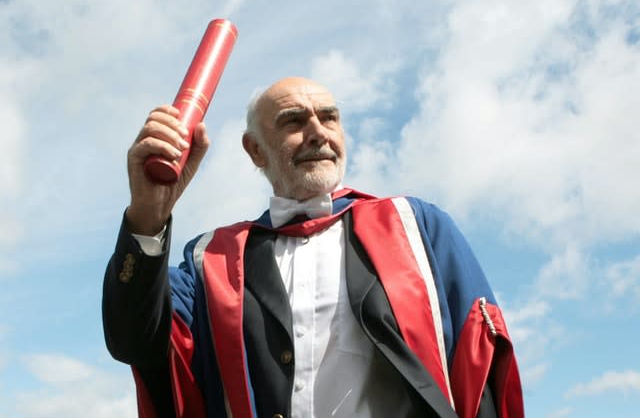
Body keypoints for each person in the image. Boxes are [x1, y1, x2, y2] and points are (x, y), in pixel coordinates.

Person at [102, 77, 524, 418]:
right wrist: (148, 213)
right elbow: (134, 343)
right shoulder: (210, 259)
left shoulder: (418, 227)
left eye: (329, 118)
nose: (317, 133)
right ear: (254, 150)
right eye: (293, 121)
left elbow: (482, 363)